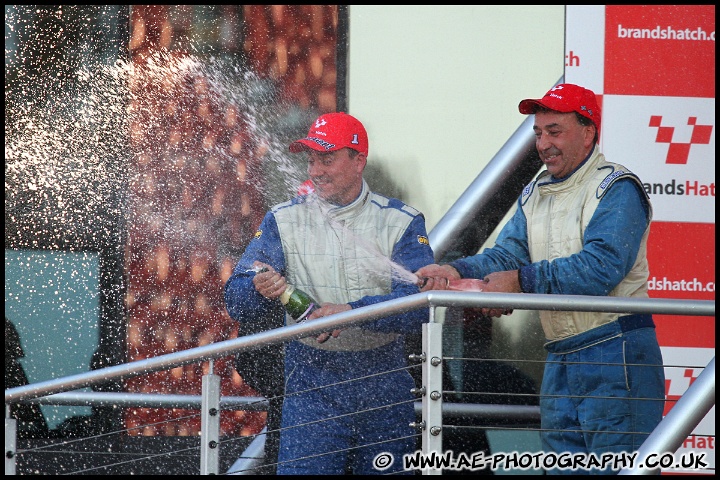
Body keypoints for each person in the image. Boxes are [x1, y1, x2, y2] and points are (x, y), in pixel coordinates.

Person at [417, 84, 665, 475]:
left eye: (554, 131)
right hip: (561, 354)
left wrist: (518, 281)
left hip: (616, 351)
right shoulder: (535, 192)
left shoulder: (617, 188)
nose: (543, 143)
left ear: (588, 132)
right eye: (538, 133)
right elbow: (506, 255)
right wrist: (456, 272)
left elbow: (599, 269)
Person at [225, 112, 434, 475]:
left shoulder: (402, 220)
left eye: (327, 158)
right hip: (311, 378)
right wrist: (258, 287)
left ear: (359, 161)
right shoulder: (282, 218)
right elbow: (235, 300)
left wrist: (350, 310)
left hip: (382, 379)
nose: (315, 171)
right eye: (310, 160)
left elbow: (419, 308)